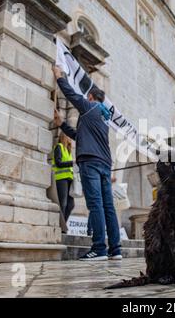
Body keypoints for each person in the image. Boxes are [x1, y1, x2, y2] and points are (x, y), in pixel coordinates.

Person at [53, 65, 122, 261]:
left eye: (87, 97)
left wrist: (59, 77)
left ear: (91, 97)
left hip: (90, 162)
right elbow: (79, 136)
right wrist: (62, 125)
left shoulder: (89, 107)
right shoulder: (102, 117)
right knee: (108, 206)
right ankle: (115, 249)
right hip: (104, 163)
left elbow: (71, 95)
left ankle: (99, 248)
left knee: (96, 204)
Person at [52, 133, 75, 234]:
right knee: (63, 203)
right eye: (69, 137)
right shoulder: (59, 147)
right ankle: (59, 227)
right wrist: (72, 162)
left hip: (69, 179)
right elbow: (58, 163)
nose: (70, 139)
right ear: (64, 137)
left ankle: (62, 225)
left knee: (71, 205)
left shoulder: (68, 150)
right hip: (61, 178)